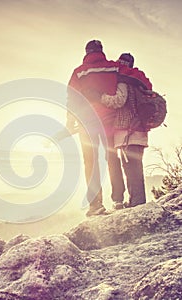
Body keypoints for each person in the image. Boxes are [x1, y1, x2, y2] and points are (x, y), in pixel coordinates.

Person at [67, 40, 125, 217]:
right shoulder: (114, 67)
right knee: (113, 158)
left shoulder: (79, 72)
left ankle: (96, 205)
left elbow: (72, 98)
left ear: (86, 52)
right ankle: (119, 200)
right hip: (110, 122)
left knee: (91, 162)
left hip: (87, 123)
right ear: (101, 51)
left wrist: (69, 122)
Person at [101, 53, 152, 207]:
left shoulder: (124, 81)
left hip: (127, 132)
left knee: (131, 168)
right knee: (135, 167)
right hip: (140, 131)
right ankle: (137, 201)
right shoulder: (140, 82)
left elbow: (119, 100)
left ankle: (137, 203)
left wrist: (101, 97)